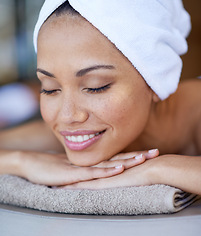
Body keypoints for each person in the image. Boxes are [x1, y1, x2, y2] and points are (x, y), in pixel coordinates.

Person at [1, 0, 201, 195]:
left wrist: (157, 169)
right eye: (50, 89)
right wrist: (23, 162)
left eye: (95, 87)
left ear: (157, 80)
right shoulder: (75, 132)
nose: (68, 116)